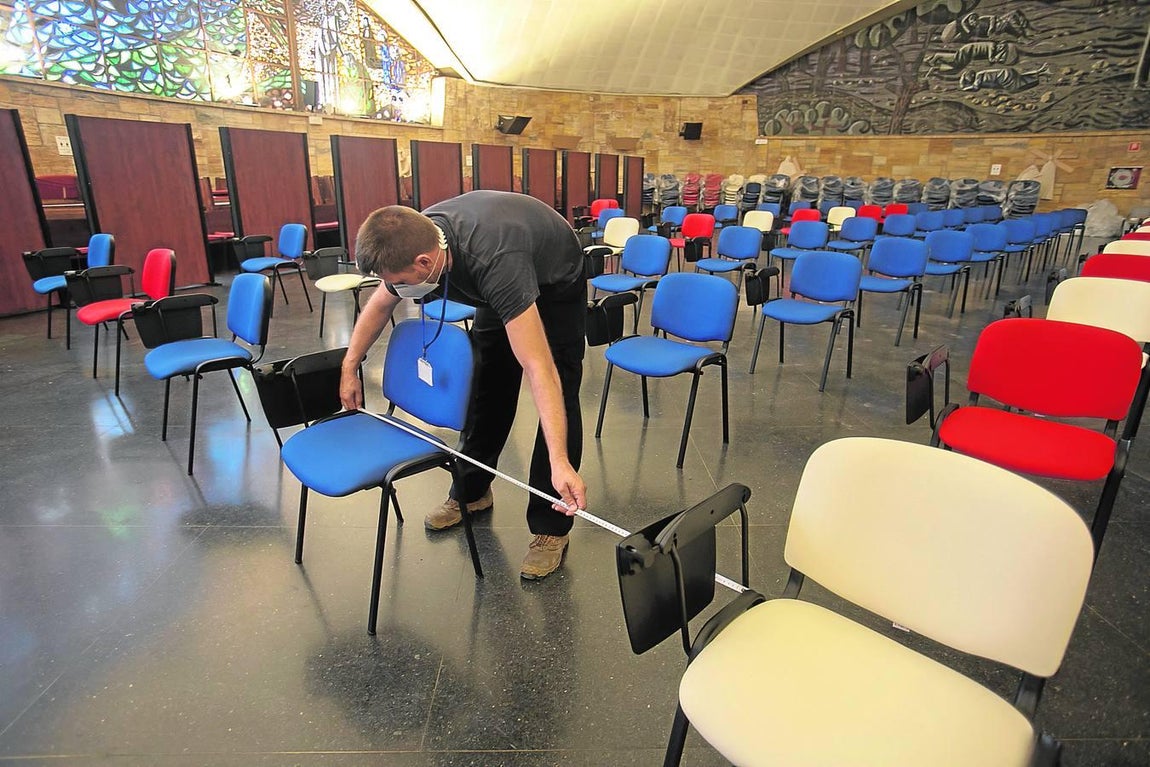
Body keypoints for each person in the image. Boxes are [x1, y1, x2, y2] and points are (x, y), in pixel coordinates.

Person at [340, 191, 588, 580]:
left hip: (555, 280)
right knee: (487, 386)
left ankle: (550, 526)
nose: (397, 290)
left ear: (425, 263)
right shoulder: (411, 239)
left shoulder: (495, 263)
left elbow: (540, 369)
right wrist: (350, 365)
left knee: (559, 390)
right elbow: (380, 304)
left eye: (400, 282)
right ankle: (472, 492)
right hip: (497, 271)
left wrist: (560, 461)